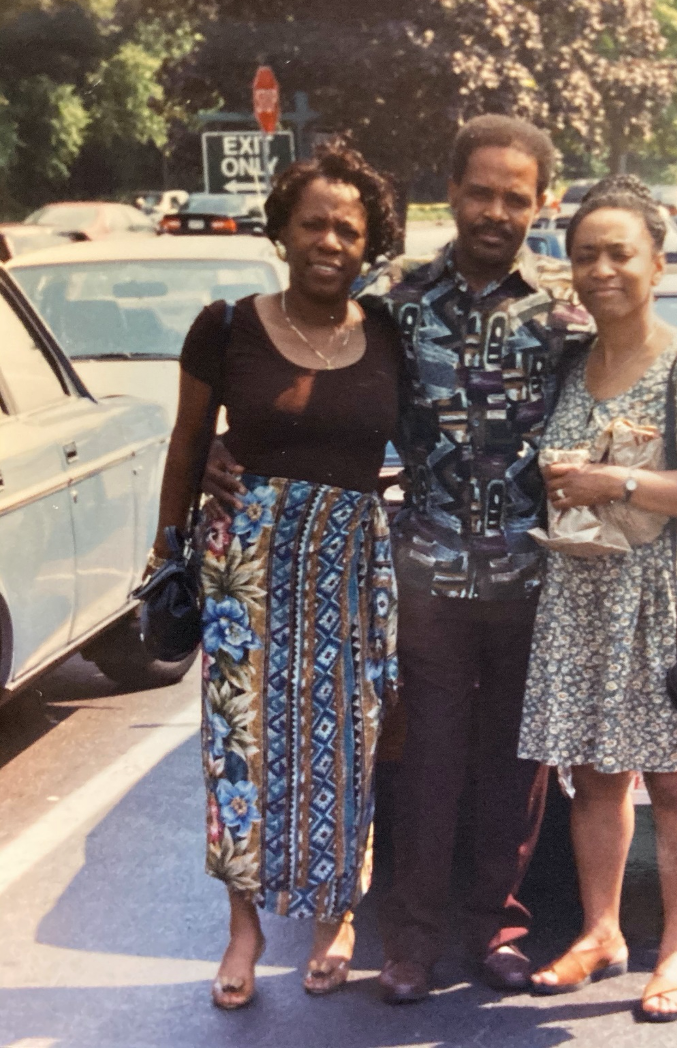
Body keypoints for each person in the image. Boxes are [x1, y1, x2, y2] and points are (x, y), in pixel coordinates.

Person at [205, 114, 590, 1002]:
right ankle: (410, 942)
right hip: (425, 579)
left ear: (541, 204)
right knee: (424, 763)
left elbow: (623, 401)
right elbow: (318, 383)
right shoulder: (395, 300)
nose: (495, 211)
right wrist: (233, 447)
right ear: (450, 194)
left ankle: (495, 924)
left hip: (534, 576)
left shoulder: (569, 315)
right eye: (480, 193)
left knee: (513, 765)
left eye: (515, 198)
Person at [151, 139, 401, 1010]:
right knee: (240, 750)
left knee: (347, 745)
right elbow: (188, 441)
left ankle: (337, 916)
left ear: (369, 244)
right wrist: (165, 547)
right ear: (283, 232)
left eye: (348, 229)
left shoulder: (391, 334)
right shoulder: (226, 326)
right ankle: (244, 928)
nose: (329, 242)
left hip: (348, 567)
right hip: (241, 569)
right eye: (313, 224)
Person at [517, 184, 677, 1022]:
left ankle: (676, 949)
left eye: (619, 253)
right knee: (593, 778)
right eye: (585, 255)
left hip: (660, 595)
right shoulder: (568, 364)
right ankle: (601, 932)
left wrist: (616, 478)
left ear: (657, 260)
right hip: (581, 592)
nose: (601, 269)